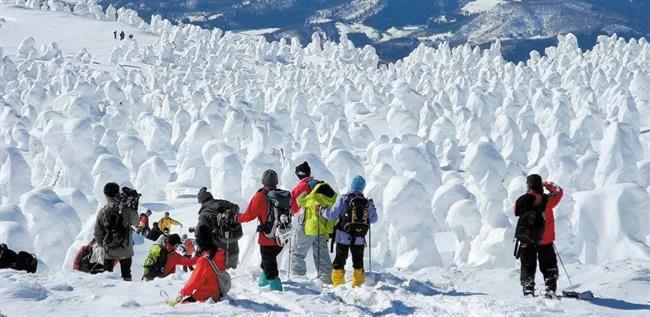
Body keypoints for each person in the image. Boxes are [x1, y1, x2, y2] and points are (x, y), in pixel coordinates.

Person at [321, 176, 377, 287]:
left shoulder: (344, 199)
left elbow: (332, 215)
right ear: (363, 188)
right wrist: (372, 207)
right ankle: (358, 284)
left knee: (340, 260)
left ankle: (338, 284)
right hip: (359, 238)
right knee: (358, 261)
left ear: (351, 185)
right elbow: (374, 219)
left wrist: (322, 211)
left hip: (343, 236)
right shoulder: (366, 202)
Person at [235, 169, 286, 291]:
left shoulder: (260, 196)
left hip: (267, 238)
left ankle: (277, 289)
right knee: (267, 261)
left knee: (270, 265)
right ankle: (263, 283)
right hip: (282, 237)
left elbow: (248, 216)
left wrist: (236, 218)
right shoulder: (284, 196)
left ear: (263, 181)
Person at [514, 174, 563, 297]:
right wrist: (546, 184)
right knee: (549, 264)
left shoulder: (523, 200)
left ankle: (528, 287)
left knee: (527, 265)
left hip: (527, 239)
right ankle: (550, 286)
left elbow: (515, 210)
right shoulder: (548, 200)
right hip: (545, 239)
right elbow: (559, 191)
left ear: (529, 185)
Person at [290, 161, 335, 283]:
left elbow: (291, 198)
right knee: (321, 253)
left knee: (297, 251)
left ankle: (299, 278)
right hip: (321, 224)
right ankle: (326, 279)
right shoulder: (320, 185)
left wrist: (295, 210)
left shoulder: (304, 184)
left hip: (308, 223)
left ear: (299, 174)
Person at [94, 182, 140, 281]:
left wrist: (105, 245)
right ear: (118, 192)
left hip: (109, 249)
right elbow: (136, 222)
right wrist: (134, 206)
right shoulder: (126, 209)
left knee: (107, 275)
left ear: (105, 195)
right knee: (126, 273)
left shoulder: (103, 211)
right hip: (126, 249)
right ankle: (128, 293)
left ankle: (107, 293)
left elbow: (98, 232)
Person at [196, 187, 241, 269]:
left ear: (202, 202)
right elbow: (236, 209)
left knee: (221, 276)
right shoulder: (224, 203)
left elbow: (199, 232)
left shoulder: (205, 212)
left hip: (220, 250)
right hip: (234, 244)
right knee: (233, 273)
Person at [176, 235, 226, 303]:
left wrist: (182, 293)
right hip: (219, 291)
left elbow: (194, 280)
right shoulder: (221, 253)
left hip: (205, 294)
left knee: (182, 304)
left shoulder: (203, 261)